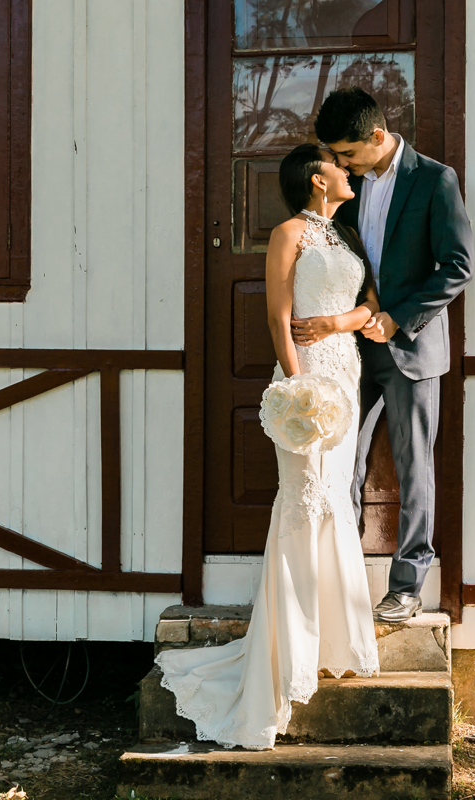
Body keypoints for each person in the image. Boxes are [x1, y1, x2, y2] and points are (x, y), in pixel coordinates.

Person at [154, 144, 381, 751]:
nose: (348, 170)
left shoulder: (347, 238)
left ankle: (332, 638)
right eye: (339, 163)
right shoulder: (288, 235)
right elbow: (279, 317)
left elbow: (371, 308)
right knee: (304, 499)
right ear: (317, 178)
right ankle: (290, 651)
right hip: (307, 382)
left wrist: (340, 323)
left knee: (335, 497)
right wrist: (298, 382)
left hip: (346, 372)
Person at [294, 87, 474, 623]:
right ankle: (341, 579)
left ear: (377, 136)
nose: (338, 164)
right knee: (339, 460)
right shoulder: (349, 188)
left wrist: (398, 316)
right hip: (350, 350)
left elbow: (458, 265)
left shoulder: (436, 180)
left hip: (411, 349)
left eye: (347, 154)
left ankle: (407, 586)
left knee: (414, 465)